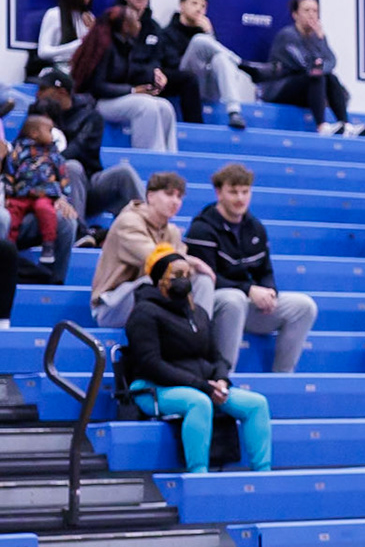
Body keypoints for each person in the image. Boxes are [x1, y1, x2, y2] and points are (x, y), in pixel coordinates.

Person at [124, 249, 272, 473]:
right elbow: (151, 365)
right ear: (160, 279)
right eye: (176, 275)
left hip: (202, 385)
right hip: (153, 388)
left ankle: (263, 472)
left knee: (256, 404)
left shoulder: (198, 313)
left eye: (187, 274)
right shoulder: (144, 312)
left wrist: (221, 380)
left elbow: (216, 357)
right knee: (198, 402)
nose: (183, 280)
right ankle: (198, 474)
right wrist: (202, 386)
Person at [185, 163, 318, 374]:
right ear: (219, 193)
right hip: (213, 305)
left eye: (245, 191)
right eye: (233, 192)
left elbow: (265, 271)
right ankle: (223, 377)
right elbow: (207, 280)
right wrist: (249, 290)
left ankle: (283, 376)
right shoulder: (202, 229)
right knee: (234, 299)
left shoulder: (255, 227)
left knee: (304, 306)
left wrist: (269, 291)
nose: (240, 198)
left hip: (245, 303)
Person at [92, 172, 217, 327]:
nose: (175, 201)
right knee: (158, 280)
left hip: (149, 302)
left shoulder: (172, 231)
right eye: (169, 194)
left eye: (179, 197)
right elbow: (158, 261)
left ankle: (198, 332)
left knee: (202, 281)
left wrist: (191, 267)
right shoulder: (128, 222)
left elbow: (182, 270)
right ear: (150, 196)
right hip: (112, 305)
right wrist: (195, 262)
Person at [32, 70, 141, 229]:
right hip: (48, 185)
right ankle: (78, 231)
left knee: (124, 173)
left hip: (87, 185)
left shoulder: (90, 117)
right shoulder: (37, 115)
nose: (37, 94)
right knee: (72, 167)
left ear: (61, 92)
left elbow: (77, 150)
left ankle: (149, 228)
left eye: (43, 89)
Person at [68, 4, 179, 152]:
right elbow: (97, 86)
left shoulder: (126, 45)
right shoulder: (105, 47)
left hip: (119, 98)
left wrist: (153, 79)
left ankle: (169, 157)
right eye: (136, 21)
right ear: (126, 26)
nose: (139, 25)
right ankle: (148, 157)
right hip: (98, 102)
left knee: (165, 107)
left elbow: (132, 72)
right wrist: (132, 90)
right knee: (146, 106)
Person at [262, 0, 363, 135]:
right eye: (306, 10)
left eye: (315, 11)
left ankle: (345, 124)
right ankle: (321, 126)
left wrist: (320, 40)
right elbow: (304, 64)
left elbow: (331, 61)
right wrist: (319, 56)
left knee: (331, 78)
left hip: (306, 90)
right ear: (295, 15)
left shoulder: (317, 36)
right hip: (280, 89)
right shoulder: (287, 35)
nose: (311, 15)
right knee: (316, 76)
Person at [160, 0, 250, 131]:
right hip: (184, 83)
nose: (199, 9)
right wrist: (206, 37)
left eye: (203, 6)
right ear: (182, 6)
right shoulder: (167, 33)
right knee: (199, 40)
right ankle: (244, 65)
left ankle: (234, 111)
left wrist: (209, 33)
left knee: (220, 58)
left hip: (206, 87)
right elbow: (172, 65)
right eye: (194, 3)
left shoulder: (205, 33)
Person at [4, 115, 64, 269]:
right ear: (35, 133)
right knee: (12, 214)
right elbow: (9, 173)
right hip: (21, 193)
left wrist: (64, 196)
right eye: (49, 130)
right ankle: (9, 248)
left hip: (44, 193)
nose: (52, 135)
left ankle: (48, 245)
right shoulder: (18, 151)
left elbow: (63, 175)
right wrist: (8, 194)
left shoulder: (53, 153)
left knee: (45, 209)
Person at [29, 0, 93, 78]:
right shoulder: (54, 14)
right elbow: (43, 52)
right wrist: (76, 46)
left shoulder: (88, 16)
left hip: (82, 73)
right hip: (59, 73)